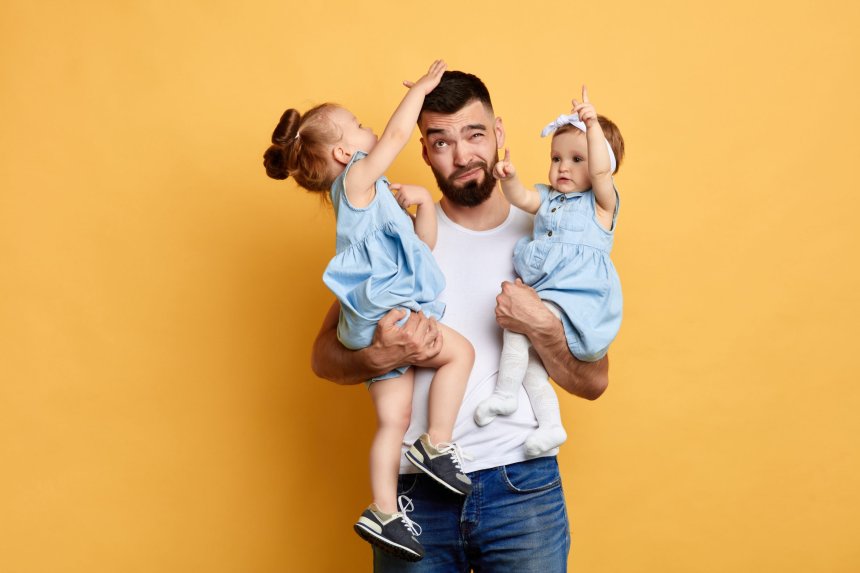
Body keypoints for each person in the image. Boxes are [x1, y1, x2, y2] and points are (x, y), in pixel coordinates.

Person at [311, 70, 609, 572]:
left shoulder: (551, 239)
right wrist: (378, 355)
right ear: (425, 153)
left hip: (521, 491)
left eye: (475, 134)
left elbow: (595, 379)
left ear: (499, 132)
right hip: (414, 500)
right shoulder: (399, 238)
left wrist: (539, 324)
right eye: (442, 142)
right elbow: (324, 356)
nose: (463, 155)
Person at [263, 60, 476, 562]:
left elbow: (422, 251)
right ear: (345, 153)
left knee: (392, 421)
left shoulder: (370, 202)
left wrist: (425, 205)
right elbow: (399, 133)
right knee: (461, 353)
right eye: (358, 125)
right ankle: (437, 443)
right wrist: (421, 90)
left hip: (370, 321)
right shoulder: (358, 182)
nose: (369, 128)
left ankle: (383, 511)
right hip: (389, 313)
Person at [474, 86, 625, 459]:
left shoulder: (601, 205)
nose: (563, 167)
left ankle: (505, 395)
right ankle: (551, 426)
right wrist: (508, 177)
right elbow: (523, 198)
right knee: (530, 365)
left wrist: (591, 124)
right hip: (547, 293)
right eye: (556, 158)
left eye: (577, 159)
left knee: (516, 329)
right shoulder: (550, 198)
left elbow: (601, 170)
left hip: (576, 300)